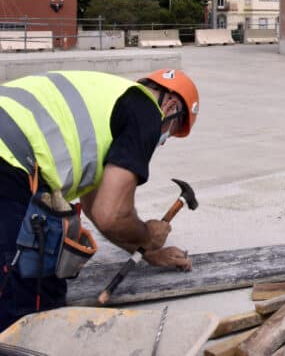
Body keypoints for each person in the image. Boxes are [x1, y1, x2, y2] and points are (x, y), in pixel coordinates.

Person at [0, 68, 200, 330]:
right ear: (171, 105)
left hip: (9, 151)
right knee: (32, 303)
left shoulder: (107, 102)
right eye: (171, 130)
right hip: (8, 160)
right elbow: (112, 215)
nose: (163, 140)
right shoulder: (146, 111)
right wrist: (146, 235)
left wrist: (147, 252)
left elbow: (97, 208)